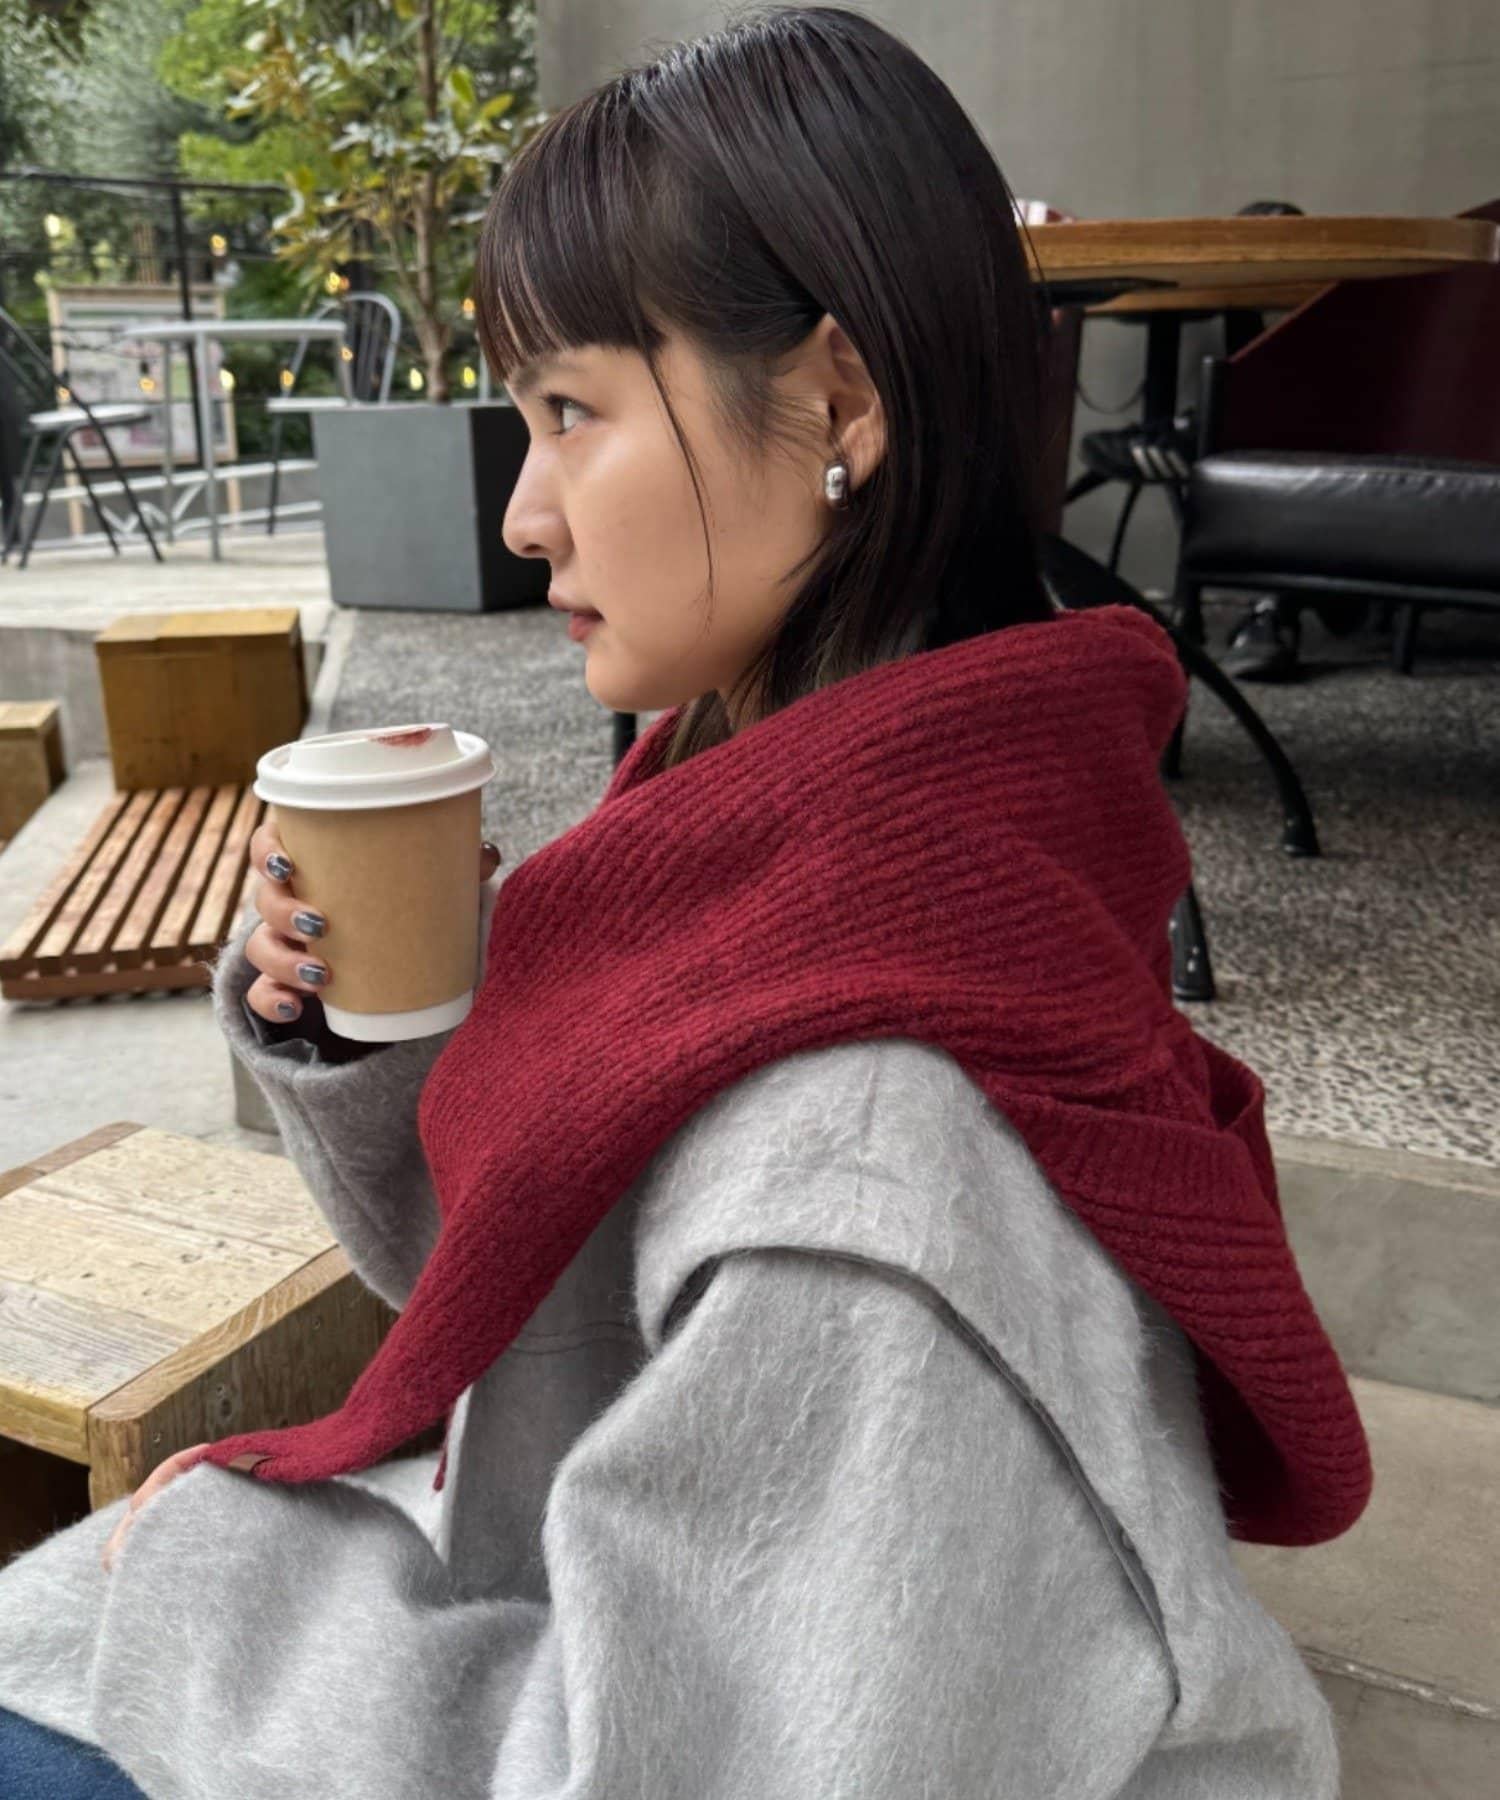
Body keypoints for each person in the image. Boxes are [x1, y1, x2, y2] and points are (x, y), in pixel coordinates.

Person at [0, 8, 1363, 1795]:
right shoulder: (859, 831)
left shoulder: (869, 1149)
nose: (524, 517)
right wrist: (375, 1035)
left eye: (572, 411)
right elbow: (561, 1300)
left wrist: (204, 1589)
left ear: (839, 404)